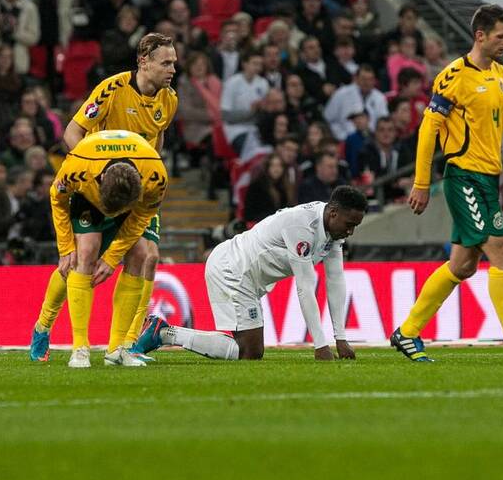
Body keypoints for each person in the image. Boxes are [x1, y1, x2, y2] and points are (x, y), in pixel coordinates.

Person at [393, 4, 503, 364]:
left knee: (463, 265)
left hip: (488, 180)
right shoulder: (454, 76)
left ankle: (407, 333)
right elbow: (429, 130)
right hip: (464, 177)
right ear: (480, 36)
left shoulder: (500, 74)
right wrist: (422, 183)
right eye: (502, 36)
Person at [29, 34, 178, 363]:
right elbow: (72, 132)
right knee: (80, 256)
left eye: (174, 63)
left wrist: (147, 173)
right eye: (166, 62)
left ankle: (121, 347)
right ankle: (47, 329)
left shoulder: (169, 100)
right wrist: (91, 165)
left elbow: (158, 139)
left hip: (135, 188)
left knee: (145, 256)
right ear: (143, 61)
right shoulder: (112, 89)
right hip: (97, 183)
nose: (172, 69)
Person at [133, 186, 366, 362]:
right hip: (232, 268)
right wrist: (320, 345)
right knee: (249, 352)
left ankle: (161, 331)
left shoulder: (334, 231)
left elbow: (335, 281)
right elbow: (305, 286)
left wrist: (341, 338)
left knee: (249, 350)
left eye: (355, 226)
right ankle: (163, 332)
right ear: (333, 213)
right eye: (349, 224)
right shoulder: (302, 226)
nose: (351, 231)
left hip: (248, 277)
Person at [48, 130, 168, 368]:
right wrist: (65, 247)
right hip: (89, 197)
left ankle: (117, 350)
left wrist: (112, 258)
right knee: (85, 253)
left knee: (141, 255)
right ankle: (80, 348)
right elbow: (57, 197)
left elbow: (141, 217)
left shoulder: (155, 176)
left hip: (130, 203)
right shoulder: (78, 166)